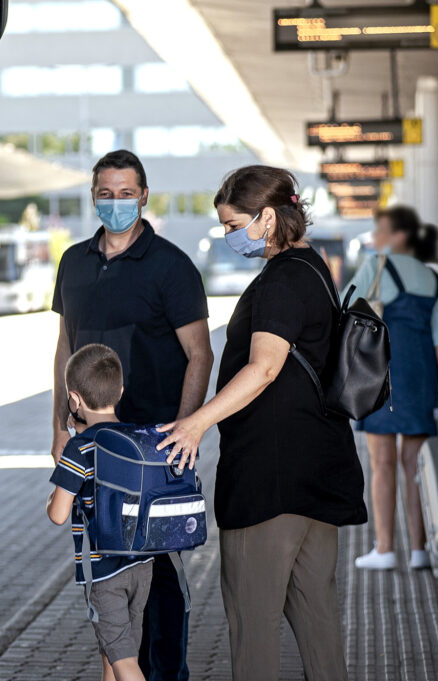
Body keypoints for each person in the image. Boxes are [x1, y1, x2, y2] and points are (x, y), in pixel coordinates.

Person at [155, 165, 367, 681]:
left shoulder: (281, 280)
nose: (228, 235)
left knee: (253, 628)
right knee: (318, 623)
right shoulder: (314, 267)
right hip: (316, 474)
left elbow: (265, 366)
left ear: (267, 217)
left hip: (269, 482)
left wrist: (195, 424)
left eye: (232, 224)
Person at [51, 149, 212, 681]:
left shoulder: (171, 266)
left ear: (144, 195)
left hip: (152, 449)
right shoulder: (73, 263)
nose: (115, 203)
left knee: (160, 576)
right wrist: (59, 426)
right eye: (105, 193)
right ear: (93, 195)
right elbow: (64, 345)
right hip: (95, 444)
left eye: (126, 193)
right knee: (107, 575)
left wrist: (185, 432)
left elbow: (200, 354)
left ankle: (166, 674)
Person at [347, 206, 438, 571]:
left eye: (380, 231)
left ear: (399, 236)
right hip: (422, 381)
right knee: (417, 468)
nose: (376, 238)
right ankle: (420, 550)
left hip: (382, 381)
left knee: (382, 465)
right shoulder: (431, 279)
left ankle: (385, 548)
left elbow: (346, 310)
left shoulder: (376, 266)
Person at [47, 343, 156, 681]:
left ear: (74, 400)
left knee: (124, 663)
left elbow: (58, 513)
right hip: (142, 565)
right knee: (116, 652)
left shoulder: (78, 449)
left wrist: (51, 496)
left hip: (105, 573)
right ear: (120, 391)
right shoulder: (138, 436)